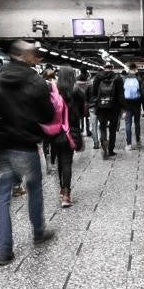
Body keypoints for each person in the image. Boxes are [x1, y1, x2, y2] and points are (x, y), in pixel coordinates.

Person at [0, 40, 57, 265]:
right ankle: (38, 232)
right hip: (26, 147)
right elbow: (47, 116)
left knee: (3, 199)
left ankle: (4, 251)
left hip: (3, 148)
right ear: (25, 56)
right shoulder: (35, 81)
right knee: (34, 191)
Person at [53, 67, 87, 208]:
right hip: (71, 131)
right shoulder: (78, 91)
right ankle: (66, 194)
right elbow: (83, 112)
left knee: (60, 161)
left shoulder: (54, 91)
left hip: (55, 131)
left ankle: (62, 188)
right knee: (67, 162)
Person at [92, 63, 122, 158]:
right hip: (114, 107)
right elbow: (121, 94)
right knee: (112, 129)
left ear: (104, 68)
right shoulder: (118, 78)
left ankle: (104, 142)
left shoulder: (97, 78)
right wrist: (123, 108)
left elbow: (94, 93)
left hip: (101, 107)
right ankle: (111, 150)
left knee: (102, 127)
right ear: (112, 68)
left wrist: (95, 104)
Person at [121, 63, 144, 151]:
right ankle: (138, 142)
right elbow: (142, 93)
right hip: (136, 104)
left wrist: (122, 107)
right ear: (135, 69)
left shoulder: (124, 79)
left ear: (129, 69)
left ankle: (129, 144)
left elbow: (121, 94)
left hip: (127, 105)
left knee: (128, 123)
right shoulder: (139, 79)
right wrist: (140, 103)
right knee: (137, 123)